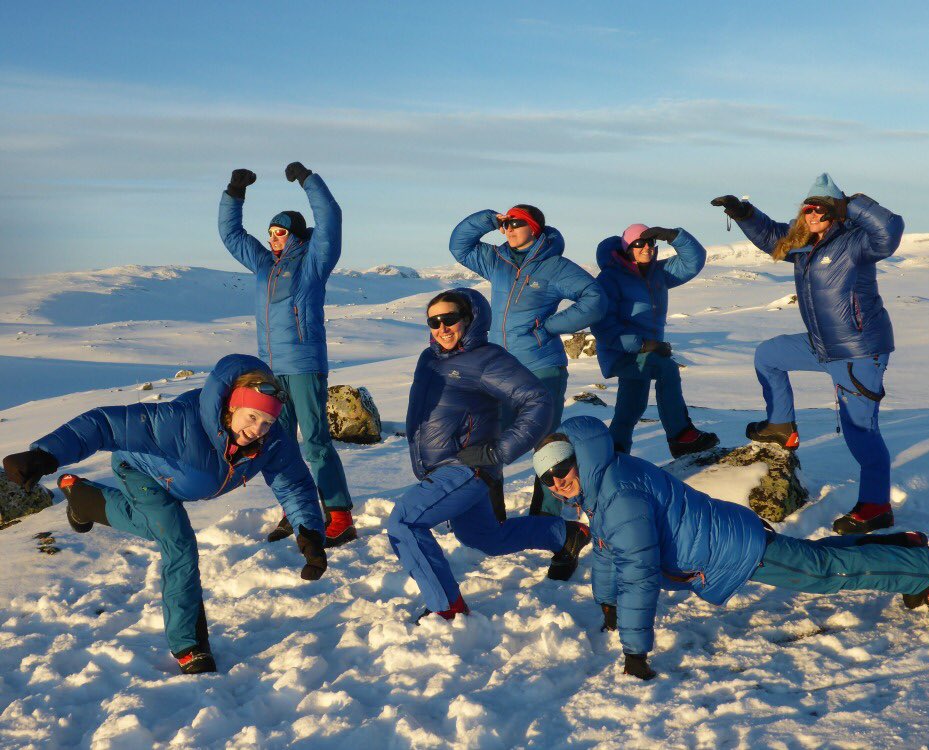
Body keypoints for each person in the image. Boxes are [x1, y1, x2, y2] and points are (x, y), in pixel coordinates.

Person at [532, 416, 929, 680]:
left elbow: (640, 573)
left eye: (561, 468)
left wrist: (635, 651)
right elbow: (609, 550)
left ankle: (928, 568)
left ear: (580, 457)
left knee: (821, 573)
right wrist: (607, 602)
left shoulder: (617, 495)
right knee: (816, 560)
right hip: (722, 533)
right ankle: (903, 548)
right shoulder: (602, 483)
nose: (556, 481)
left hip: (730, 549)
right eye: (545, 477)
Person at [1, 354, 328, 675]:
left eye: (267, 421)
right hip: (140, 471)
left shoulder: (272, 442)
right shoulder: (176, 420)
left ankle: (84, 500)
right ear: (231, 407)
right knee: (179, 544)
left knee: (158, 527)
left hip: (180, 481)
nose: (258, 429)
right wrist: (45, 455)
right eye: (252, 417)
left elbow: (295, 484)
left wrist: (310, 533)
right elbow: (103, 424)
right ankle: (189, 647)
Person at [711, 174, 904, 534]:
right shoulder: (803, 243)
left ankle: (877, 506)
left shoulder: (857, 242)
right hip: (820, 345)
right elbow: (771, 236)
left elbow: (889, 230)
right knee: (768, 355)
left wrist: (851, 203)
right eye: (807, 207)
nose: (811, 214)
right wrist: (743, 212)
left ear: (835, 212)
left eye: (820, 208)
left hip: (858, 351)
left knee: (861, 431)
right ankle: (782, 426)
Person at [387, 288, 591, 621]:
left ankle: (446, 607)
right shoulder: (430, 358)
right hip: (441, 468)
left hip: (466, 467)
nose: (442, 328)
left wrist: (499, 450)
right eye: (434, 321)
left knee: (404, 522)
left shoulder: (487, 359)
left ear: (468, 319)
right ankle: (565, 535)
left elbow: (538, 401)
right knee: (484, 537)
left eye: (449, 319)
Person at [219, 162, 356, 548]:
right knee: (281, 444)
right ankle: (298, 510)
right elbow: (231, 236)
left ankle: (340, 516)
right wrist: (235, 193)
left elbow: (331, 216)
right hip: (270, 368)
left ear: (294, 235)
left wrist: (309, 180)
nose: (274, 239)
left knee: (314, 442)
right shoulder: (264, 263)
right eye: (271, 233)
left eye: (281, 233)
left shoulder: (313, 261)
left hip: (304, 363)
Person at [449, 205, 607, 518]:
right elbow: (460, 245)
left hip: (541, 366)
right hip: (498, 369)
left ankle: (547, 519)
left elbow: (595, 298)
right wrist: (489, 219)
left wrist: (550, 326)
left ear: (534, 227)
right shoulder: (498, 260)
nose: (508, 229)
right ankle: (490, 516)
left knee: (547, 446)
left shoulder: (555, 266)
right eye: (505, 224)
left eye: (515, 223)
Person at [590, 224, 719, 458]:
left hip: (647, 351)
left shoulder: (658, 273)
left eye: (651, 242)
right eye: (639, 244)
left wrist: (673, 236)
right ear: (627, 248)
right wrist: (641, 345)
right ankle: (680, 435)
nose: (646, 247)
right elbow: (602, 326)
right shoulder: (610, 278)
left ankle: (614, 455)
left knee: (631, 408)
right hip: (620, 353)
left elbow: (693, 262)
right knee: (666, 369)